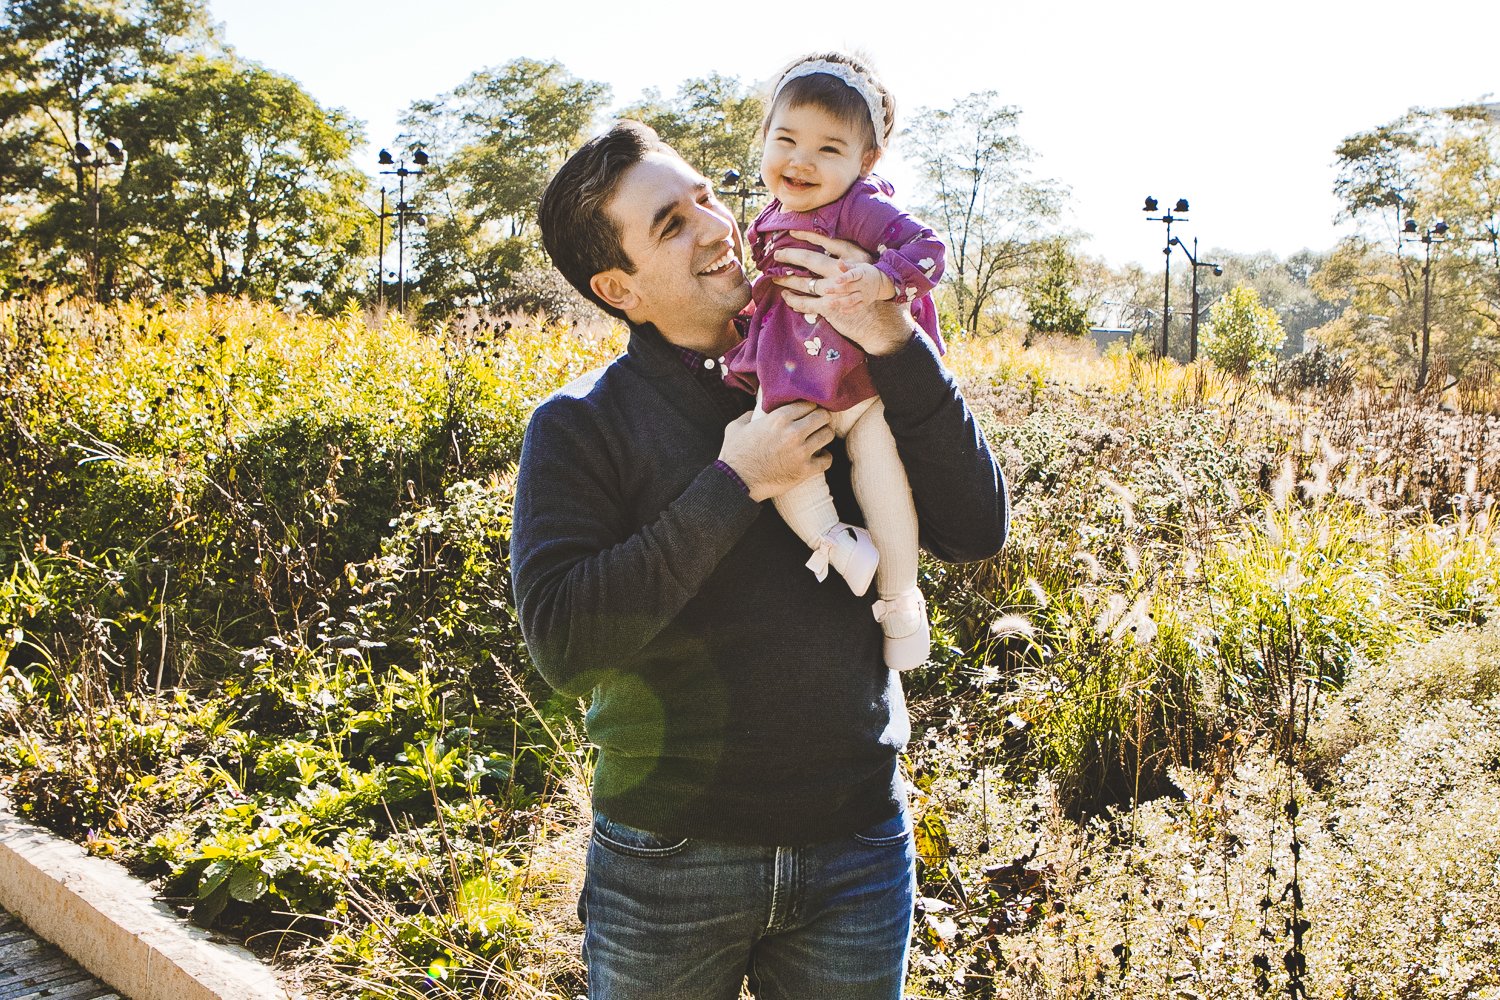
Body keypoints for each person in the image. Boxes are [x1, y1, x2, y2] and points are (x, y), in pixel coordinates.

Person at [514, 118, 1007, 999]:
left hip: (855, 849)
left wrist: (897, 340)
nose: (714, 225)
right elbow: (564, 642)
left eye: (706, 195)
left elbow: (976, 531)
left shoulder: (846, 354)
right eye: (670, 223)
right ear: (617, 287)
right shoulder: (582, 424)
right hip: (668, 863)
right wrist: (733, 483)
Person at [723, 52, 945, 672]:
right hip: (793, 379)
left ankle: (901, 601)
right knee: (778, 458)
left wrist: (879, 281)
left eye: (828, 149)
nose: (800, 161)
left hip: (859, 379)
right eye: (786, 139)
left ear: (864, 161)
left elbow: (930, 250)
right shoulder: (767, 216)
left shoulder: (860, 208)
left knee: (884, 480)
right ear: (764, 139)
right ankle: (840, 547)